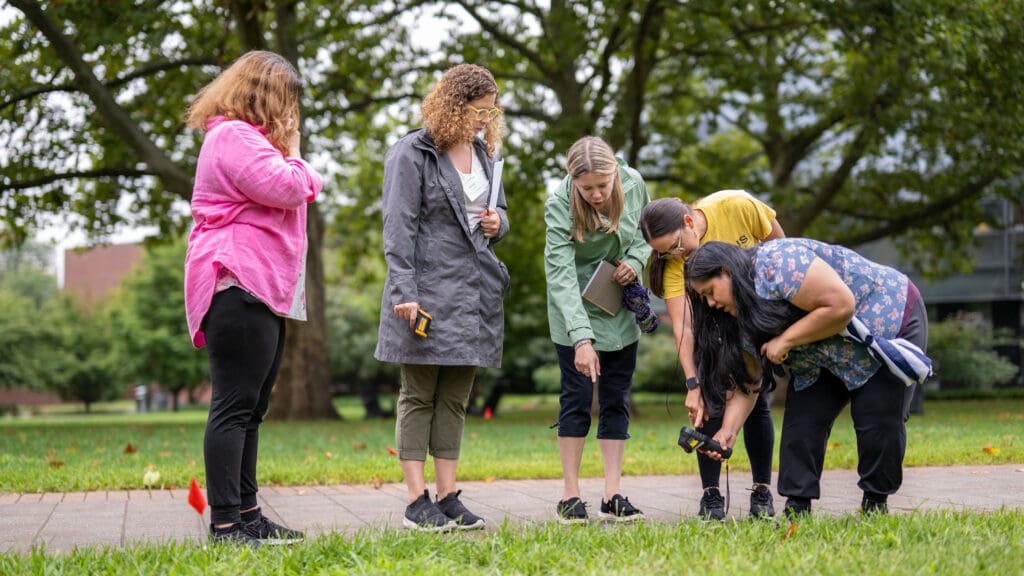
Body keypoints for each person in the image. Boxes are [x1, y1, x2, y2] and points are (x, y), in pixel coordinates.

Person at [684, 239, 931, 517]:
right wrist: (728, 431)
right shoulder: (740, 316)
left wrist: (786, 340)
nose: (711, 303)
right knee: (802, 424)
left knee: (877, 418)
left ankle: (875, 504)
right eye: (703, 298)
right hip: (821, 354)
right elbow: (750, 380)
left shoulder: (778, 264)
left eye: (711, 292)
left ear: (727, 272)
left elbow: (840, 305)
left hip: (885, 321)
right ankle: (797, 509)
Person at [184, 50, 320, 546]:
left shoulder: (248, 140)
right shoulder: (233, 136)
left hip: (259, 289)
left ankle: (247, 514)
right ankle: (225, 525)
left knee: (252, 408)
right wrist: (300, 156)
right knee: (234, 406)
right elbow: (289, 186)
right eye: (288, 101)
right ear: (266, 96)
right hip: (236, 282)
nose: (292, 114)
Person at [374, 64, 509, 532]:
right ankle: (417, 500)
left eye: (491, 111)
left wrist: (498, 224)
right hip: (426, 293)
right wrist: (404, 292)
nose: (483, 120)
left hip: (473, 294)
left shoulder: (485, 154)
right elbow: (398, 229)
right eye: (477, 111)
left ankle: (449, 496)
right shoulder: (412, 153)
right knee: (419, 395)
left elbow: (499, 213)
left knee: (455, 397)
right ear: (452, 105)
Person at [639, 192, 784, 520]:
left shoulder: (738, 206)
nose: (676, 256)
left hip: (752, 314)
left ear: (688, 222)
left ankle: (762, 490)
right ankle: (711, 495)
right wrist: (693, 382)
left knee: (756, 401)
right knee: (711, 400)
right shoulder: (674, 261)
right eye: (664, 253)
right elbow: (684, 326)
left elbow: (782, 251)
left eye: (676, 246)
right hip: (712, 322)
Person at [544, 136, 652, 524]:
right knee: (575, 399)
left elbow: (645, 236)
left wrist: (635, 262)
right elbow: (558, 274)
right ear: (573, 181)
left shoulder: (635, 183)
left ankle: (613, 493)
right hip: (573, 307)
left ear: (615, 175)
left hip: (618, 305)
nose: (595, 194)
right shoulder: (559, 203)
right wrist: (581, 338)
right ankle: (570, 496)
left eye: (602, 186)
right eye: (585, 188)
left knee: (616, 398)